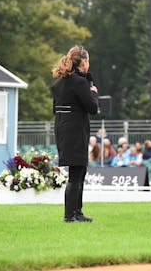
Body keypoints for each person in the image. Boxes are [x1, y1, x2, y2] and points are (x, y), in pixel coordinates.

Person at [52, 45, 98, 223]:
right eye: (88, 62)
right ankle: (69, 215)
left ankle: (77, 211)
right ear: (84, 62)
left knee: (79, 170)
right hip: (76, 130)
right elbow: (92, 108)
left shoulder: (59, 83)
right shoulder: (80, 83)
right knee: (76, 173)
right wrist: (93, 93)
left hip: (63, 128)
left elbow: (54, 108)